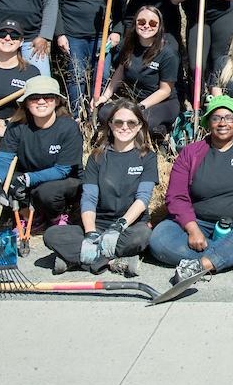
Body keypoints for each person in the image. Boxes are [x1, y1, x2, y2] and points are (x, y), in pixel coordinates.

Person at [152, 95, 233, 283]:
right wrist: (192, 229)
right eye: (216, 118)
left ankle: (202, 264)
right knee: (160, 238)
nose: (223, 123)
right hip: (199, 223)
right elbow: (176, 196)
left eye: (229, 118)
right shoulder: (191, 153)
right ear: (208, 123)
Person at [43, 99, 156, 276]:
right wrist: (90, 234)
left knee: (144, 235)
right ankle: (112, 261)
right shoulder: (96, 157)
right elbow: (89, 198)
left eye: (131, 122)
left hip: (129, 226)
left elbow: (143, 198)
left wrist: (119, 226)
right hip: (98, 225)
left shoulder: (147, 157)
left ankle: (78, 259)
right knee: (51, 235)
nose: (124, 127)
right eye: (119, 122)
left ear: (139, 125)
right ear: (110, 125)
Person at [0, 76, 83, 228]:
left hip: (63, 181)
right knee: (8, 180)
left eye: (48, 97)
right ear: (26, 102)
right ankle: (29, 215)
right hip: (30, 177)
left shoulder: (68, 127)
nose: (41, 101)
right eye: (34, 98)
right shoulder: (16, 127)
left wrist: (27, 178)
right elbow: (4, 160)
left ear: (57, 101)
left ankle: (57, 217)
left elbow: (62, 170)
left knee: (47, 192)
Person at [96, 5, 181, 138]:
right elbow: (120, 72)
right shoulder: (128, 44)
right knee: (104, 113)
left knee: (144, 122)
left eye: (152, 23)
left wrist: (139, 107)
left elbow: (165, 91)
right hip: (132, 100)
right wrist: (105, 96)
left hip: (162, 102)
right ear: (135, 23)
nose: (146, 26)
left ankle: (163, 133)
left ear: (159, 27)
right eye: (141, 22)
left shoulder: (168, 53)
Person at [55, 0, 113, 116]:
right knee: (76, 78)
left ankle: (98, 116)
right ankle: (78, 116)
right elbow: (55, 6)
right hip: (74, 36)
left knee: (102, 77)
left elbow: (117, 6)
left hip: (101, 37)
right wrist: (60, 34)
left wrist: (116, 32)